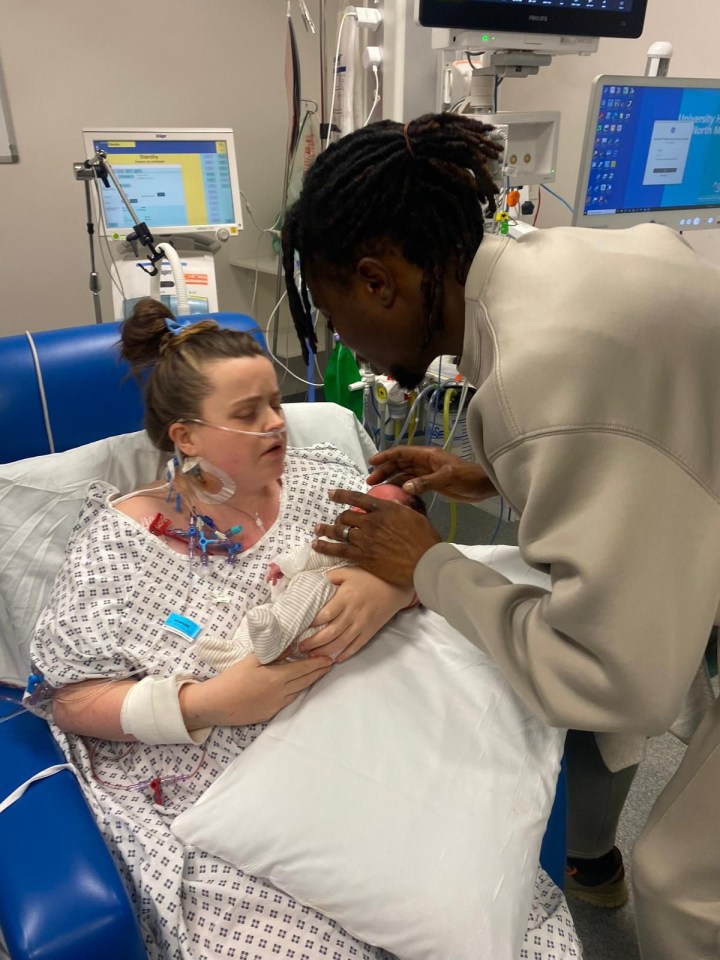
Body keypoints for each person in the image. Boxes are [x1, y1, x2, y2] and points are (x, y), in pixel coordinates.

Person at [281, 112, 720, 960]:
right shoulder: (568, 257)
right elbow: (663, 419)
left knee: (687, 881)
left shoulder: (540, 379)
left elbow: (617, 684)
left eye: (337, 319)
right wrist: (491, 471)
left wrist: (429, 567)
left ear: (379, 282)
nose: (347, 346)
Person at [26, 298, 577, 960]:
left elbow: (408, 547)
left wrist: (391, 588)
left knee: (486, 911)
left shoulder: (323, 482)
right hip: (220, 796)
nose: (274, 424)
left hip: (377, 734)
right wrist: (209, 702)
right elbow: (67, 698)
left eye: (274, 402)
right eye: (246, 414)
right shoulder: (118, 545)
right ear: (186, 437)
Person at [197, 483, 426, 669]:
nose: (357, 510)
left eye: (372, 507)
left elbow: (317, 556)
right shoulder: (341, 536)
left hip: (330, 618)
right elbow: (314, 551)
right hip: (298, 613)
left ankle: (272, 646)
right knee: (261, 614)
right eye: (359, 502)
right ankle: (238, 653)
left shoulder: (388, 548)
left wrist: (404, 592)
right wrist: (285, 566)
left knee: (309, 583)